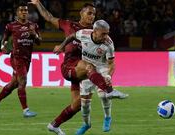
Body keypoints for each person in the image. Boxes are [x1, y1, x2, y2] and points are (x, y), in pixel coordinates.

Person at [29, 1, 126, 135]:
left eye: (94, 14)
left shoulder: (96, 32)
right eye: (89, 13)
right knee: (89, 67)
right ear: (81, 13)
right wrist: (38, 3)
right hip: (71, 66)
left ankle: (54, 125)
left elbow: (106, 55)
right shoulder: (70, 25)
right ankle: (108, 90)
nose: (92, 16)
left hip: (84, 72)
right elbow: (49, 17)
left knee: (78, 105)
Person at [54, 20, 128, 135]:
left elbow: (111, 63)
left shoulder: (108, 44)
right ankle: (86, 124)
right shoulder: (84, 34)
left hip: (101, 67)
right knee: (85, 103)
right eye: (103, 33)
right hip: (87, 68)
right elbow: (71, 36)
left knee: (103, 94)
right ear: (95, 31)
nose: (106, 36)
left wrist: (108, 75)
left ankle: (107, 117)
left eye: (107, 33)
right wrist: (62, 46)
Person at [0, 2, 41, 118]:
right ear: (17, 13)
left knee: (14, 84)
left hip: (27, 58)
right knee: (22, 81)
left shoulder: (33, 26)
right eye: (21, 10)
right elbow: (4, 40)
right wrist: (3, 47)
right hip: (16, 58)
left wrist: (34, 35)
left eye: (26, 10)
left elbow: (39, 41)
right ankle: (25, 110)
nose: (24, 12)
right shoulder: (11, 26)